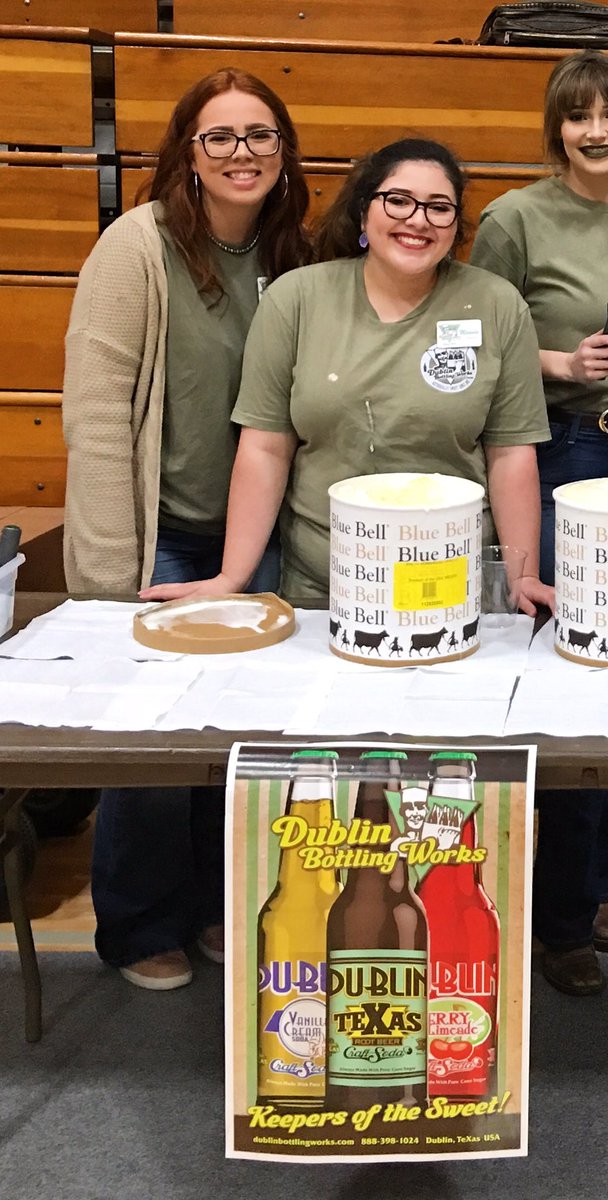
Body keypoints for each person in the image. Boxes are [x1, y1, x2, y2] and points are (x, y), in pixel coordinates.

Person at [61, 67, 311, 988]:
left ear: (283, 153)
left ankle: (215, 906)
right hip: (161, 533)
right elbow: (93, 409)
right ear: (188, 153)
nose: (242, 153)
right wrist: (107, 558)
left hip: (263, 536)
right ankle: (136, 924)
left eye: (260, 135)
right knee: (155, 745)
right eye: (221, 137)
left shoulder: (297, 253)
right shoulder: (138, 247)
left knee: (243, 739)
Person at [470, 51, 608, 995]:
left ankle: (592, 887)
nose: (596, 130)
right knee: (565, 668)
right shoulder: (513, 218)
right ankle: (555, 913)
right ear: (554, 128)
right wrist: (557, 363)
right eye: (577, 116)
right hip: (557, 450)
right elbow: (476, 324)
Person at [142, 137, 553, 612]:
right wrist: (232, 576)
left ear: (454, 226)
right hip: (323, 588)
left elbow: (512, 454)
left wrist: (521, 578)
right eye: (397, 201)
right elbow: (265, 448)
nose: (418, 220)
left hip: (455, 583)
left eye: (439, 208)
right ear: (363, 213)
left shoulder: (498, 305)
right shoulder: (296, 299)